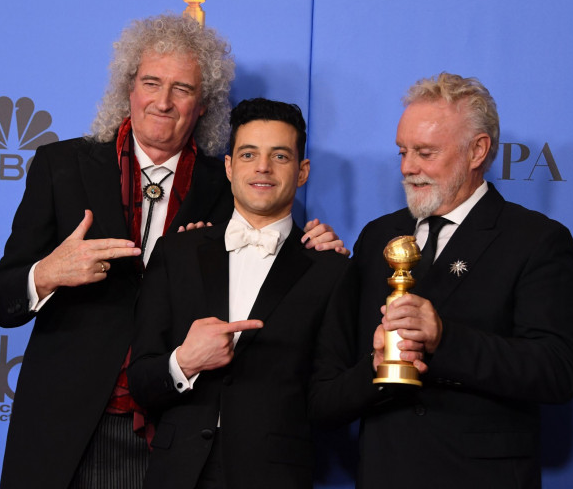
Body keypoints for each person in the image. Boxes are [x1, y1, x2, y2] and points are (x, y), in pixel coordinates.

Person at [0, 16, 344, 489]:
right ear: (128, 88)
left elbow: (274, 261)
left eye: (182, 88)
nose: (163, 101)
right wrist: (47, 272)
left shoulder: (232, 180)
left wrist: (318, 245)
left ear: (204, 104)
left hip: (184, 432)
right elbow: (2, 298)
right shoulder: (63, 166)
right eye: (151, 82)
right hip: (67, 420)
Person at [127, 98, 383, 489]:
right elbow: (141, 380)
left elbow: (327, 402)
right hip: (175, 474)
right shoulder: (176, 252)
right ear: (229, 167)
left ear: (302, 172)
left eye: (280, 156)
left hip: (275, 476)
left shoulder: (331, 271)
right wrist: (185, 361)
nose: (262, 167)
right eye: (248, 154)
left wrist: (378, 366)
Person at [344, 73, 573, 488]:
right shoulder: (376, 237)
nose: (407, 167)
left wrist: (445, 339)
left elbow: (556, 370)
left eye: (425, 152)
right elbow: (338, 367)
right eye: (402, 151)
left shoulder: (536, 240)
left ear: (478, 150)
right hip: (385, 471)